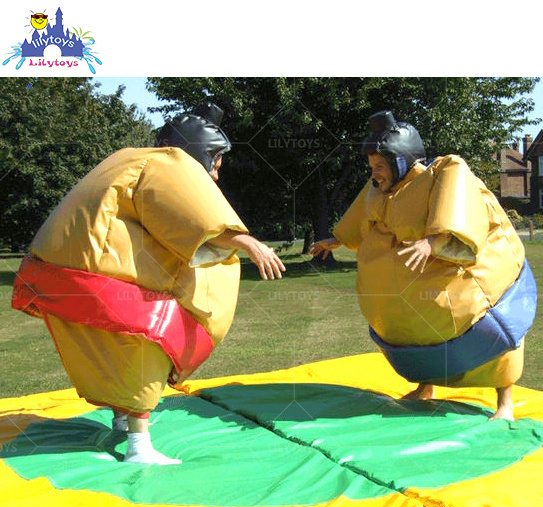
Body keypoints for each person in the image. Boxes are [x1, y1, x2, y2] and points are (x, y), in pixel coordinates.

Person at [12, 103, 285, 464]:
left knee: (115, 342)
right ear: (198, 154)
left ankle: (120, 419)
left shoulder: (128, 159)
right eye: (215, 165)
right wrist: (247, 242)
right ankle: (139, 447)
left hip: (54, 272)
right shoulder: (171, 164)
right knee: (152, 335)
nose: (216, 177)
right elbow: (190, 215)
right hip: (93, 273)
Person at [310, 111, 537, 421]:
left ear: (401, 160)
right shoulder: (381, 188)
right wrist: (336, 239)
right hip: (413, 301)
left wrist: (432, 242)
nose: (375, 174)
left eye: (380, 166)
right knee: (419, 330)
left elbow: (459, 206)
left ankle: (505, 404)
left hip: (475, 289)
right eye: (372, 167)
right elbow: (361, 215)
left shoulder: (444, 172)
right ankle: (426, 386)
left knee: (494, 341)